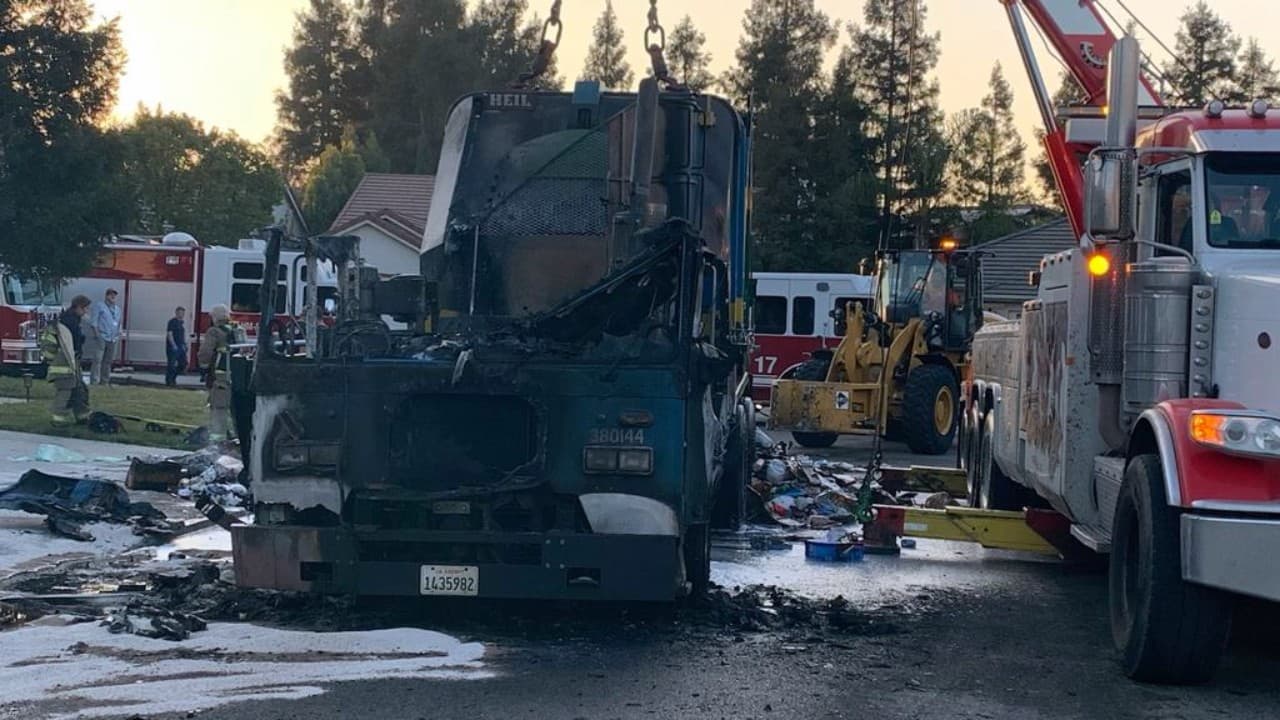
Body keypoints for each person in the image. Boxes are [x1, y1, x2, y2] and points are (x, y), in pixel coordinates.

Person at [197, 304, 242, 442]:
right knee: (238, 410)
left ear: (214, 318)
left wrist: (204, 368)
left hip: (220, 378)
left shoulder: (214, 332)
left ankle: (218, 440)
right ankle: (238, 437)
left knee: (219, 408)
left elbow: (205, 353)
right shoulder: (238, 330)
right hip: (240, 377)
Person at [50, 295, 92, 424]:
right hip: (65, 362)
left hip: (73, 360)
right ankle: (58, 419)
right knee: (66, 389)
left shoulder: (72, 319)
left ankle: (82, 416)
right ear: (78, 307)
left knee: (79, 389)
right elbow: (73, 341)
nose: (86, 311)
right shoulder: (69, 321)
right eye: (85, 308)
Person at [87, 288, 122, 385]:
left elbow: (119, 323)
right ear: (106, 296)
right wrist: (97, 335)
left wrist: (118, 334)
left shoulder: (118, 309)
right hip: (102, 336)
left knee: (108, 361)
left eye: (114, 295)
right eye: (111, 295)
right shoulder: (99, 306)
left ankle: (105, 381)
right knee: (98, 359)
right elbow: (94, 322)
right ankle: (94, 380)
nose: (113, 297)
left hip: (113, 338)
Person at [165, 306, 188, 386]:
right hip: (173, 347)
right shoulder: (172, 322)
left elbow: (182, 335)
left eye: (183, 313)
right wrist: (173, 345)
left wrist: (184, 344)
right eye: (180, 313)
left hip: (181, 346)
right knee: (171, 364)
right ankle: (169, 381)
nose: (182, 314)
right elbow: (169, 334)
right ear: (176, 313)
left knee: (183, 364)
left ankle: (174, 377)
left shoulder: (181, 323)